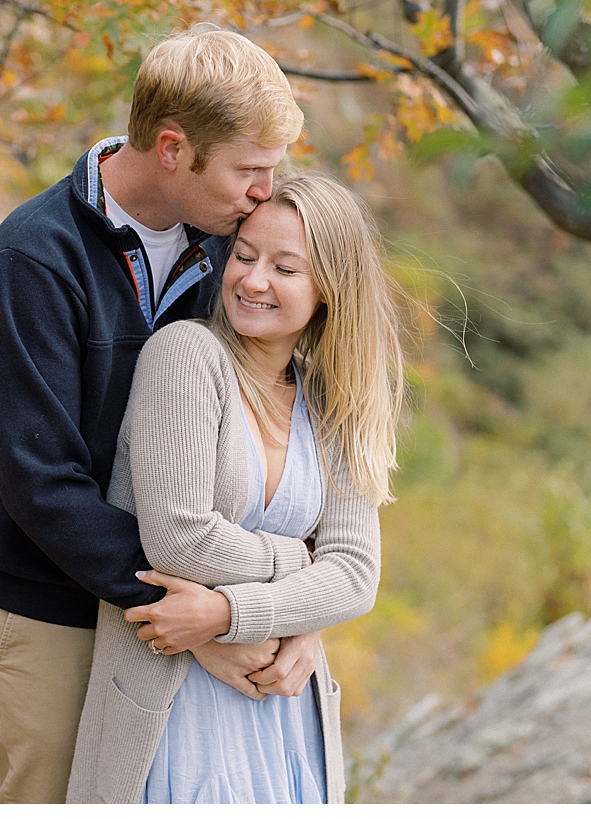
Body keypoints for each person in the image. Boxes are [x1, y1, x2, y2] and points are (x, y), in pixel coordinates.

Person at [0, 25, 307, 803]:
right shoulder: (32, 264)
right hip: (52, 614)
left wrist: (275, 610)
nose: (265, 193)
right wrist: (190, 617)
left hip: (183, 600)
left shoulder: (230, 250)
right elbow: (43, 485)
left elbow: (289, 420)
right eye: (250, 170)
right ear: (173, 149)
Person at [65, 172, 406, 804]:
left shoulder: (335, 400)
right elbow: (180, 540)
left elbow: (356, 574)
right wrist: (297, 563)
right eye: (244, 256)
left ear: (330, 287)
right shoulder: (187, 356)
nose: (252, 280)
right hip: (171, 701)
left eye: (285, 268)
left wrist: (230, 614)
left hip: (282, 699)